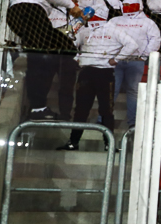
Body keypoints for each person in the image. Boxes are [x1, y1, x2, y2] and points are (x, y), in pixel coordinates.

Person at [7, 0, 84, 120]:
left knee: (61, 48)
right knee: (40, 60)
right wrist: (70, 5)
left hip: (17, 10)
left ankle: (39, 103)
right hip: (31, 11)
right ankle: (38, 107)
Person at [56, 11, 140, 151]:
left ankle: (109, 144)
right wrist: (77, 57)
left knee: (106, 110)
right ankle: (73, 142)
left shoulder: (114, 29)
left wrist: (116, 59)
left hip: (105, 72)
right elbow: (70, 41)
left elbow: (132, 45)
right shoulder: (84, 29)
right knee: (81, 110)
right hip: (86, 72)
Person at [104, 0, 161, 126]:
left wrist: (144, 56)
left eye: (129, 5)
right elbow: (106, 36)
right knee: (112, 90)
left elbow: (155, 40)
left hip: (136, 61)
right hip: (115, 61)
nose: (126, 7)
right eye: (124, 5)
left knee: (133, 91)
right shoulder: (114, 21)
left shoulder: (148, 22)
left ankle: (133, 123)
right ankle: (104, 119)